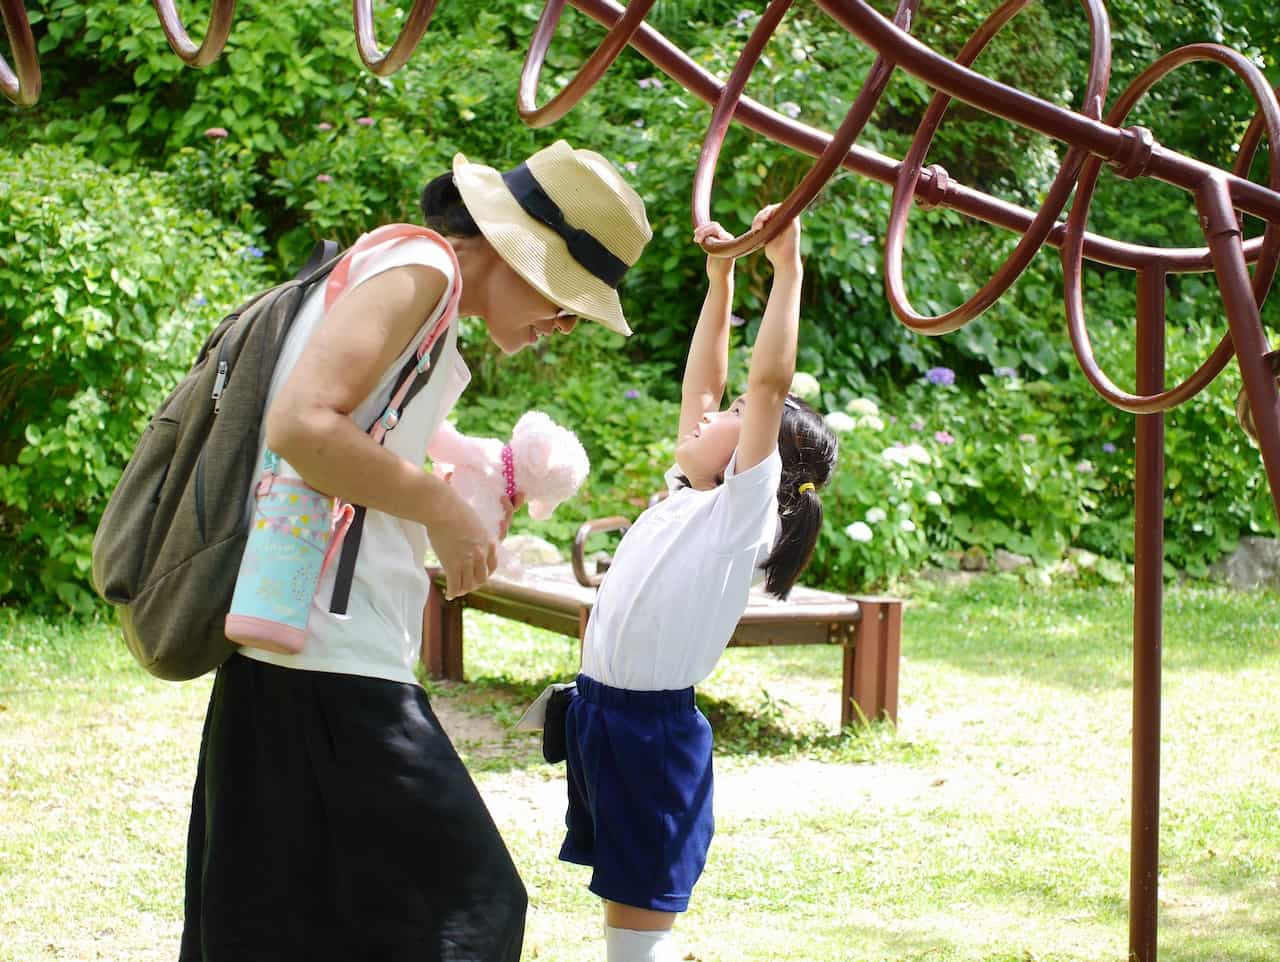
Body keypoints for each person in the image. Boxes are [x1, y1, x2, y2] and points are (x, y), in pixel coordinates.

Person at [179, 140, 651, 962]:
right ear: (516, 248)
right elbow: (301, 425)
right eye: (567, 298)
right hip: (328, 659)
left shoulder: (414, 288)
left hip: (293, 652)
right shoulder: (421, 269)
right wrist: (442, 509)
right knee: (473, 907)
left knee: (278, 927)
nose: (563, 324)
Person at [557, 205, 838, 962]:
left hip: (650, 731)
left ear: (761, 458)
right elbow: (704, 386)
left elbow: (768, 383)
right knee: (622, 898)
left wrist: (788, 268)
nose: (712, 415)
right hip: (600, 714)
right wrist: (721, 280)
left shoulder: (738, 518)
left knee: (641, 911)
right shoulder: (690, 493)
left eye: (738, 417)